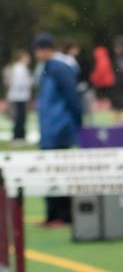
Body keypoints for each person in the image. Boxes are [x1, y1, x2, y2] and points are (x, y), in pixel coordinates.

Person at [33, 32, 82, 227]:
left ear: (48, 49)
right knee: (48, 173)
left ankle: (64, 216)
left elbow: (73, 98)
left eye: (40, 49)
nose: (37, 54)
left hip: (59, 128)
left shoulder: (60, 68)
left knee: (60, 172)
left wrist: (77, 124)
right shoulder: (46, 69)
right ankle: (52, 215)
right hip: (48, 129)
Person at [4, 49, 31, 144]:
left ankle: (20, 135)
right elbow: (18, 83)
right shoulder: (19, 68)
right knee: (20, 117)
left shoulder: (20, 67)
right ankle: (18, 136)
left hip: (20, 96)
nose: (28, 59)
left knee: (21, 117)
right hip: (19, 97)